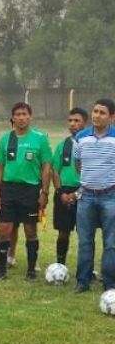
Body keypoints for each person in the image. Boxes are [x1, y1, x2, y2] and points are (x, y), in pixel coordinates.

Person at [0, 102, 52, 281]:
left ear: (30, 116)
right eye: (17, 114)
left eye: (24, 114)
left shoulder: (40, 139)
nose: (21, 117)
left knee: (30, 230)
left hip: (30, 190)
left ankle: (31, 271)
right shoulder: (5, 138)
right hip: (8, 189)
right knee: (4, 229)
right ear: (13, 118)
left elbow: (46, 166)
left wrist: (45, 192)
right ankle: (1, 270)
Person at [74, 98, 115, 293]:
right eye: (95, 111)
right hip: (86, 197)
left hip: (111, 196)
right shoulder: (81, 137)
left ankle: (109, 283)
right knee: (85, 241)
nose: (97, 115)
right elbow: (78, 164)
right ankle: (83, 281)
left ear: (112, 117)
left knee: (111, 243)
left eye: (102, 113)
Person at [51, 107, 88, 265]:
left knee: (85, 234)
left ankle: (87, 267)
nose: (73, 124)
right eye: (70, 120)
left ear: (85, 123)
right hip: (64, 193)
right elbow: (55, 170)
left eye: (77, 121)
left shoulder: (90, 144)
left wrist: (78, 193)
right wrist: (60, 192)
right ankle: (60, 264)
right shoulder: (62, 145)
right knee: (63, 233)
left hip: (85, 192)